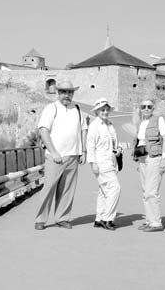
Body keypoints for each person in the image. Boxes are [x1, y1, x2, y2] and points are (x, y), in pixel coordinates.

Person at [35, 80, 88, 230]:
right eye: (64, 92)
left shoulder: (77, 109)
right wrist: (53, 152)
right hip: (55, 157)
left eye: (70, 92)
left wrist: (83, 151)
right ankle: (40, 219)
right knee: (49, 188)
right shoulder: (51, 108)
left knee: (67, 189)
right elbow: (43, 130)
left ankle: (62, 218)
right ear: (58, 93)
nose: (67, 95)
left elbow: (83, 130)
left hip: (73, 155)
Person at [133, 99, 165, 232]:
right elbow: (139, 141)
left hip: (154, 157)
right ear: (140, 109)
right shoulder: (141, 123)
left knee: (151, 191)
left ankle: (156, 223)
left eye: (149, 107)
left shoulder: (158, 120)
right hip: (142, 158)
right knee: (145, 191)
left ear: (153, 109)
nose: (146, 109)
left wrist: (164, 159)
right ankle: (149, 220)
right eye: (144, 107)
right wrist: (137, 159)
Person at [87, 98, 122, 231]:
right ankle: (107, 218)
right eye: (102, 110)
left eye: (107, 109)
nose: (105, 112)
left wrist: (118, 148)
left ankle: (99, 218)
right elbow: (90, 145)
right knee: (115, 188)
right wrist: (93, 163)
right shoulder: (94, 126)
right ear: (97, 112)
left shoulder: (110, 125)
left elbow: (114, 142)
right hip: (101, 162)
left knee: (104, 190)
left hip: (110, 162)